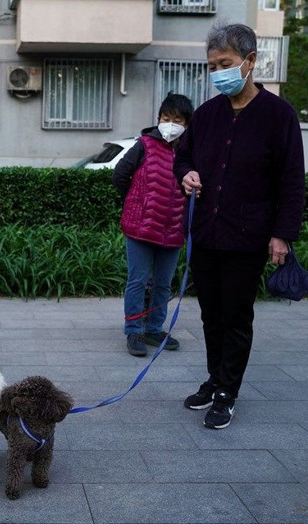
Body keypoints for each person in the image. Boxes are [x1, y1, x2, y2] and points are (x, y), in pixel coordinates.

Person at [174, 23, 304, 429]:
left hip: (247, 235)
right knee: (210, 314)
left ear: (250, 61)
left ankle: (228, 391)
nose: (218, 72)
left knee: (235, 316)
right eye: (212, 66)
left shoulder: (279, 115)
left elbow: (292, 179)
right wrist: (186, 173)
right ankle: (215, 379)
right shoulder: (206, 114)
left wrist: (282, 234)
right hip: (206, 232)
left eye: (225, 63)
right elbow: (183, 156)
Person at [113, 93, 194, 358]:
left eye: (177, 120)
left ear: (187, 124)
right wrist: (137, 202)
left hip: (172, 230)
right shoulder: (144, 145)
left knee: (163, 284)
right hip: (140, 228)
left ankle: (154, 329)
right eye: (166, 118)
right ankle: (134, 330)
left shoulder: (189, 153)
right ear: (158, 118)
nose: (170, 124)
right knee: (137, 281)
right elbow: (120, 175)